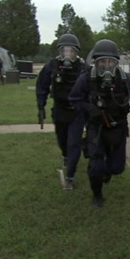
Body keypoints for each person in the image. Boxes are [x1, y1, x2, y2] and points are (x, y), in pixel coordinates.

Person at [69, 39, 130, 208]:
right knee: (96, 166)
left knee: (117, 168)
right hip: (96, 129)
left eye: (110, 61)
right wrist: (90, 109)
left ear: (115, 63)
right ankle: (97, 195)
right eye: (102, 61)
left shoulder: (124, 79)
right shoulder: (86, 79)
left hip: (118, 128)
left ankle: (106, 171)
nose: (106, 65)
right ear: (96, 62)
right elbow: (74, 99)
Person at [36, 33, 89, 190]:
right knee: (62, 140)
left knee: (74, 143)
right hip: (59, 109)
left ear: (76, 52)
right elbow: (42, 86)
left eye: (71, 51)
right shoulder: (52, 66)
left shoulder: (83, 67)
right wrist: (41, 106)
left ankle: (70, 176)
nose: (67, 54)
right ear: (60, 51)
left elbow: (92, 88)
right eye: (64, 50)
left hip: (76, 111)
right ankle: (66, 156)